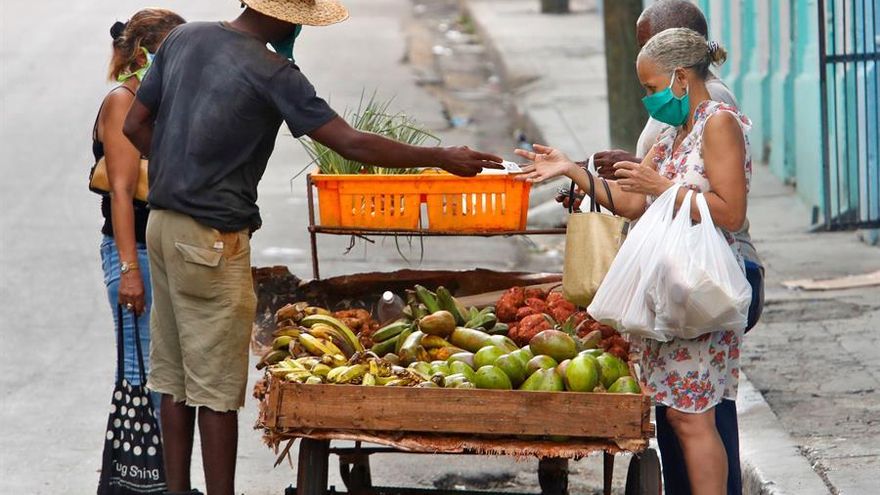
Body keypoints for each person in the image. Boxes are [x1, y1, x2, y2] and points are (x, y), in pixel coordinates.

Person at [121, 1, 502, 493]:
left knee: (173, 380)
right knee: (215, 390)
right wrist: (441, 156)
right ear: (289, 19)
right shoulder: (275, 71)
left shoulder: (183, 38)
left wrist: (180, 165)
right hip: (211, 240)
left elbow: (135, 127)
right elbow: (350, 143)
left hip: (164, 227)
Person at [516, 27, 751, 494]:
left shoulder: (718, 123)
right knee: (679, 417)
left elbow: (731, 211)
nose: (649, 99)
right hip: (671, 292)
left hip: (701, 286)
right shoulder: (673, 133)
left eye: (651, 88)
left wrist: (663, 188)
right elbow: (633, 203)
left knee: (692, 417)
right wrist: (572, 170)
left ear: (681, 78)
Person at [94, 8, 185, 418]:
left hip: (164, 250)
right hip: (136, 253)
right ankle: (142, 478)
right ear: (146, 57)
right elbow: (122, 192)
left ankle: (165, 478)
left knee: (166, 373)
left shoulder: (162, 103)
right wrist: (129, 270)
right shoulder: (123, 103)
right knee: (141, 369)